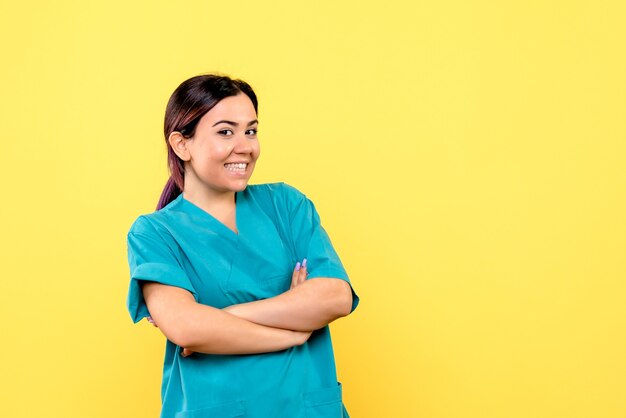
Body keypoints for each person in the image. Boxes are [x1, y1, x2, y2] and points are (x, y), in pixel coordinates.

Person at [125, 74, 359, 418]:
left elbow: (335, 296)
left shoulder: (286, 206)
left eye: (251, 130)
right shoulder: (155, 233)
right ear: (181, 144)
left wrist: (221, 319)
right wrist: (293, 331)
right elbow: (186, 327)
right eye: (225, 131)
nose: (246, 146)